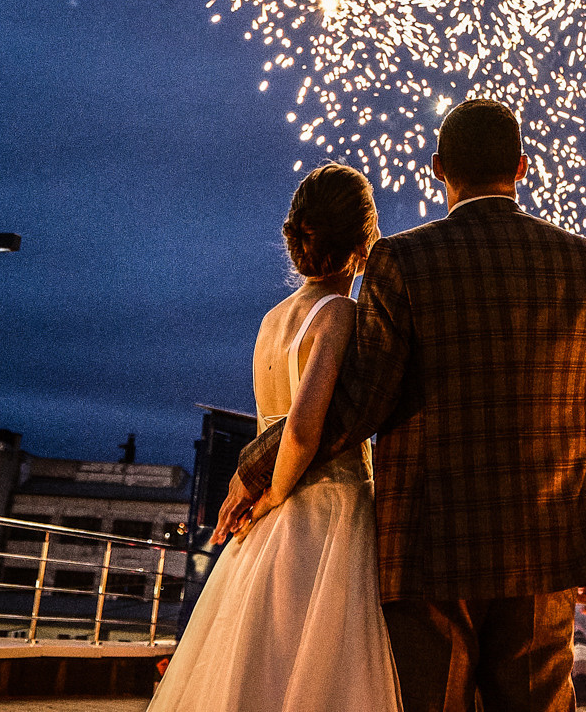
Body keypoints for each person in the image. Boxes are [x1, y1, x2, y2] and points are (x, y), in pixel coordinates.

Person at [215, 99, 586, 712]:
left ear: (439, 167)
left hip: (429, 548)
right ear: (521, 168)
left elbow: (360, 403)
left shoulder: (402, 261)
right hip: (546, 544)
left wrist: (257, 461)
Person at [151, 163, 400, 711]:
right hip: (327, 510)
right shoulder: (339, 315)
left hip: (261, 530)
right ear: (364, 239)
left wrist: (259, 499)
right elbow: (305, 430)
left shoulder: (271, 321)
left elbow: (273, 418)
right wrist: (278, 493)